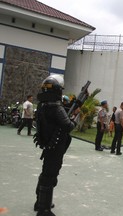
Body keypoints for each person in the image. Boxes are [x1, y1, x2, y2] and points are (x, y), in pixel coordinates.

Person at [33, 74, 80, 216]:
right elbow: (68, 126)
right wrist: (76, 116)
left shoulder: (43, 105)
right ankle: (44, 209)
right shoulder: (56, 107)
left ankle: (40, 202)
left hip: (48, 144)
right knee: (50, 175)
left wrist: (73, 107)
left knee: (46, 173)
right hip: (56, 145)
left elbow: (56, 119)